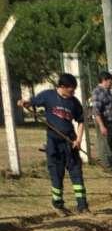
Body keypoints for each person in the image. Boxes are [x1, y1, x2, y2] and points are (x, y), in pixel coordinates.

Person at [17, 72, 87, 214]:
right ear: (62, 87)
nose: (73, 93)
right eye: (71, 90)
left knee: (76, 173)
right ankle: (58, 205)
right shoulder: (48, 96)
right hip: (54, 143)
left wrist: (78, 139)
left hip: (70, 142)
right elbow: (31, 102)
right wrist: (24, 103)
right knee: (57, 174)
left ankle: (83, 206)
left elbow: (81, 121)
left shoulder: (74, 102)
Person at [91, 70, 112, 172]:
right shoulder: (97, 92)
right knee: (105, 146)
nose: (111, 83)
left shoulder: (107, 92)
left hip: (111, 124)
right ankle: (108, 168)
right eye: (110, 81)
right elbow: (96, 111)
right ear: (104, 80)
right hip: (104, 123)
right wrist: (102, 126)